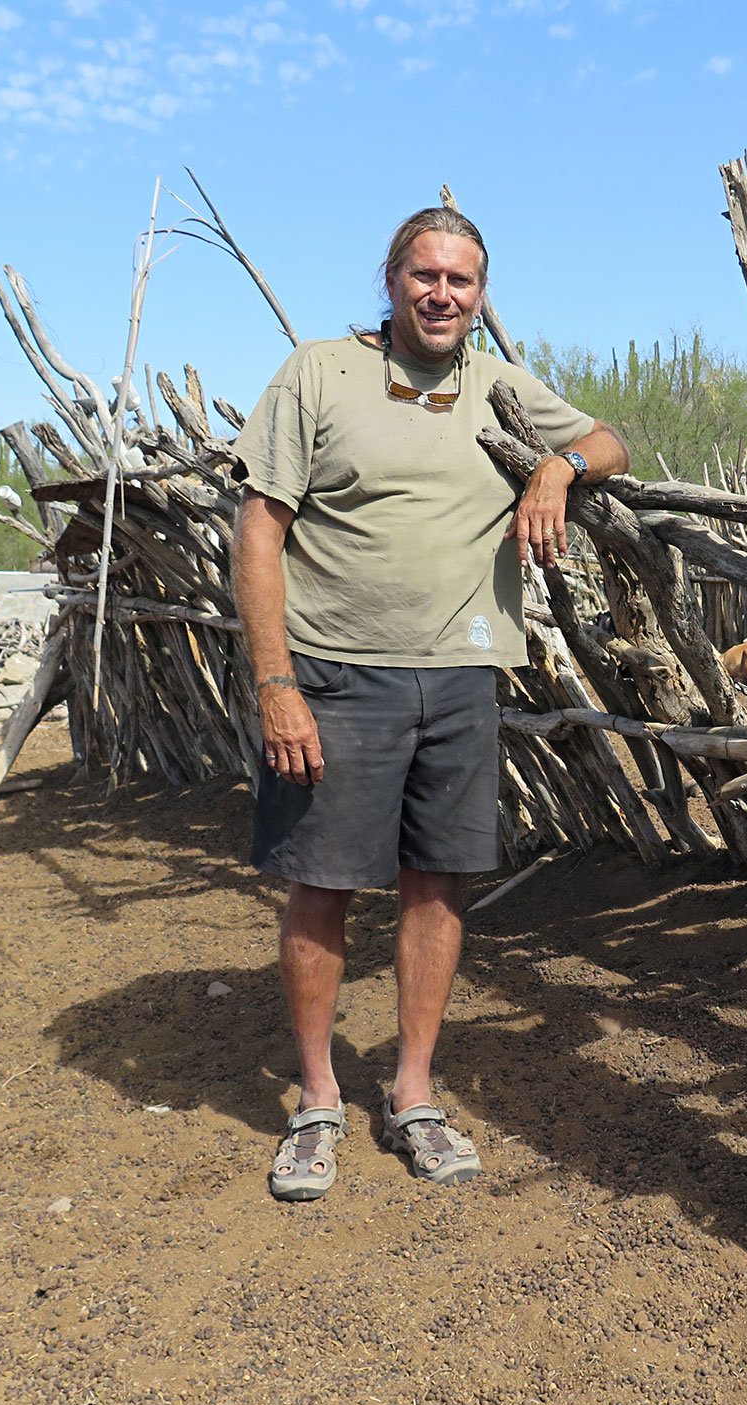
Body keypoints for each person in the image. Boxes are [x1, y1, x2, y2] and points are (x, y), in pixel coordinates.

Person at [229, 206, 629, 1200]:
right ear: (392, 277)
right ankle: (318, 1099)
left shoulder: (499, 385)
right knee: (321, 884)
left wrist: (555, 467)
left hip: (461, 673)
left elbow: (611, 443)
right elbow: (258, 530)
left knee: (437, 884)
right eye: (426, 275)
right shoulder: (319, 374)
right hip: (333, 669)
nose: (443, 294)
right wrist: (275, 682)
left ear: (482, 294)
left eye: (462, 280)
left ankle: (412, 1092)